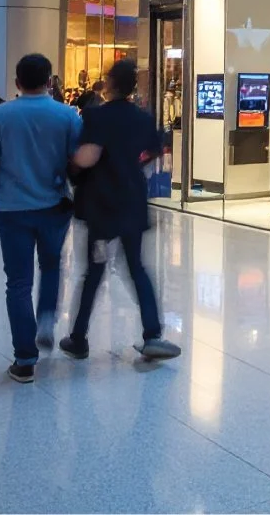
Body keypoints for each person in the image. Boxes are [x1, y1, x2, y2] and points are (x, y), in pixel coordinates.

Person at [60, 60, 181, 361]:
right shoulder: (142, 118)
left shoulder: (97, 116)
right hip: (132, 203)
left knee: (95, 269)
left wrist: (70, 163)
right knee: (137, 268)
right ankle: (152, 333)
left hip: (103, 206)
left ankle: (78, 338)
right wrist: (130, 166)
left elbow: (88, 157)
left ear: (110, 84)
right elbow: (152, 152)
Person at [0, 54, 82, 383]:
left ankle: (24, 359)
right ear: (50, 81)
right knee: (51, 265)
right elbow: (78, 162)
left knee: (18, 283)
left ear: (17, 83)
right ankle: (46, 318)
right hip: (55, 207)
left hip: (13, 210)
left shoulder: (0, 115)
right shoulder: (68, 115)